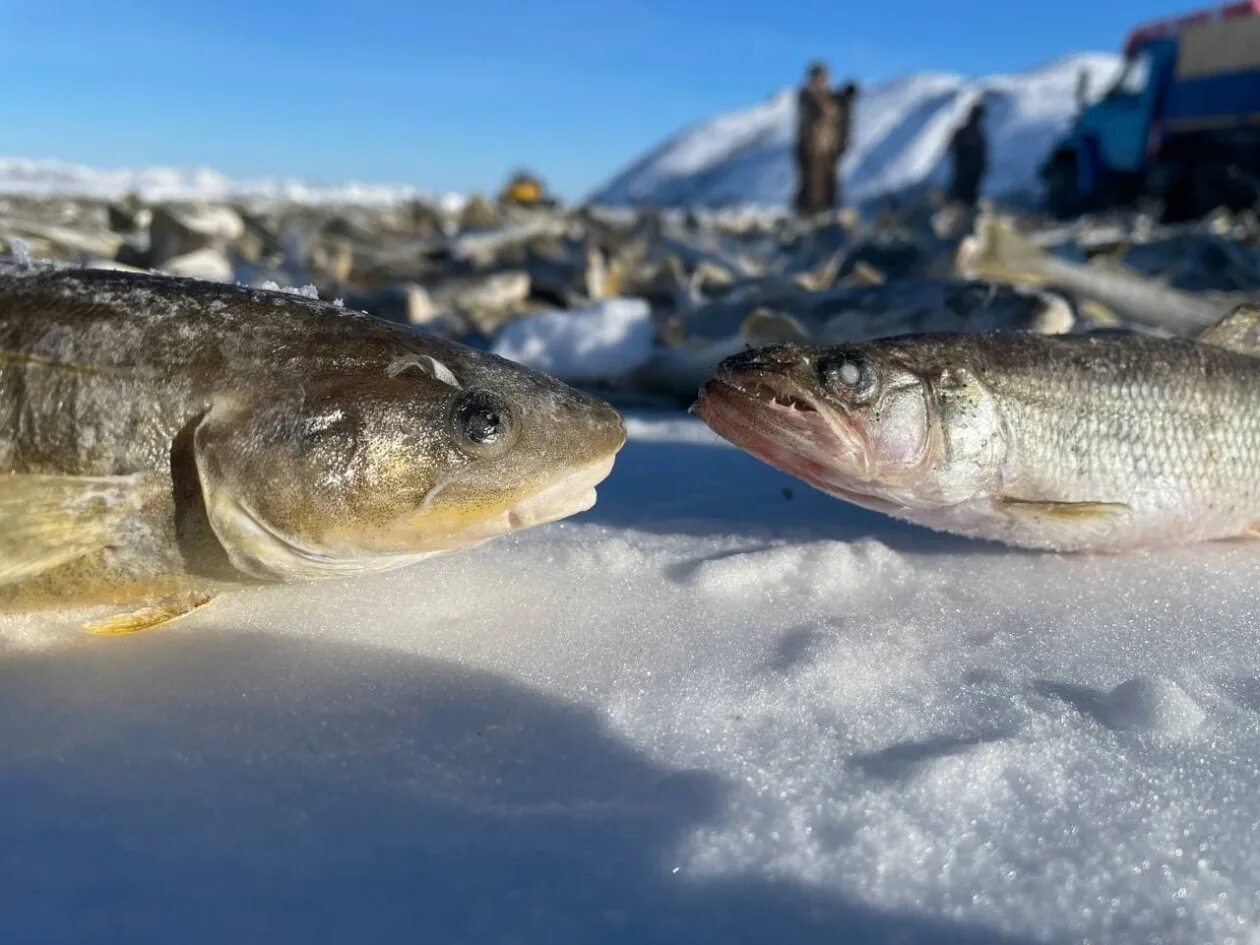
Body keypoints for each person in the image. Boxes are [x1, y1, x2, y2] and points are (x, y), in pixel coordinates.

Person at [794, 63, 857, 216]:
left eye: (823, 77)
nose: (821, 81)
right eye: (818, 77)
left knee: (830, 181)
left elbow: (838, 108)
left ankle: (828, 213)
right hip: (812, 148)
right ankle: (809, 213)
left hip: (829, 147)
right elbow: (823, 110)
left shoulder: (829, 96)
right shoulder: (807, 96)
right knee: (812, 184)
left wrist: (847, 96)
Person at [947, 100, 988, 207]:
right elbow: (952, 147)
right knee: (963, 192)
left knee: (967, 193)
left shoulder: (975, 134)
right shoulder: (969, 133)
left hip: (970, 170)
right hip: (965, 169)